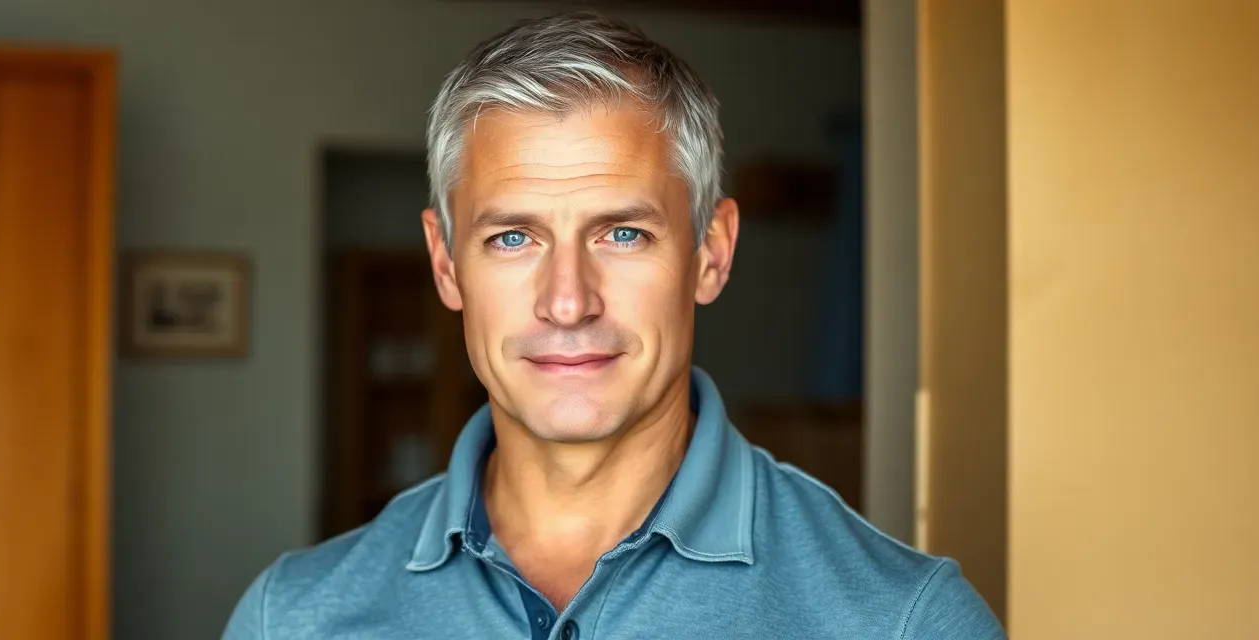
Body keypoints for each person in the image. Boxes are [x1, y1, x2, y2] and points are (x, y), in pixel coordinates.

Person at [223, 11, 1004, 639]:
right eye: (513, 237)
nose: (568, 302)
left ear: (711, 253)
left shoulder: (904, 621)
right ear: (446, 264)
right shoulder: (290, 619)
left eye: (622, 233)